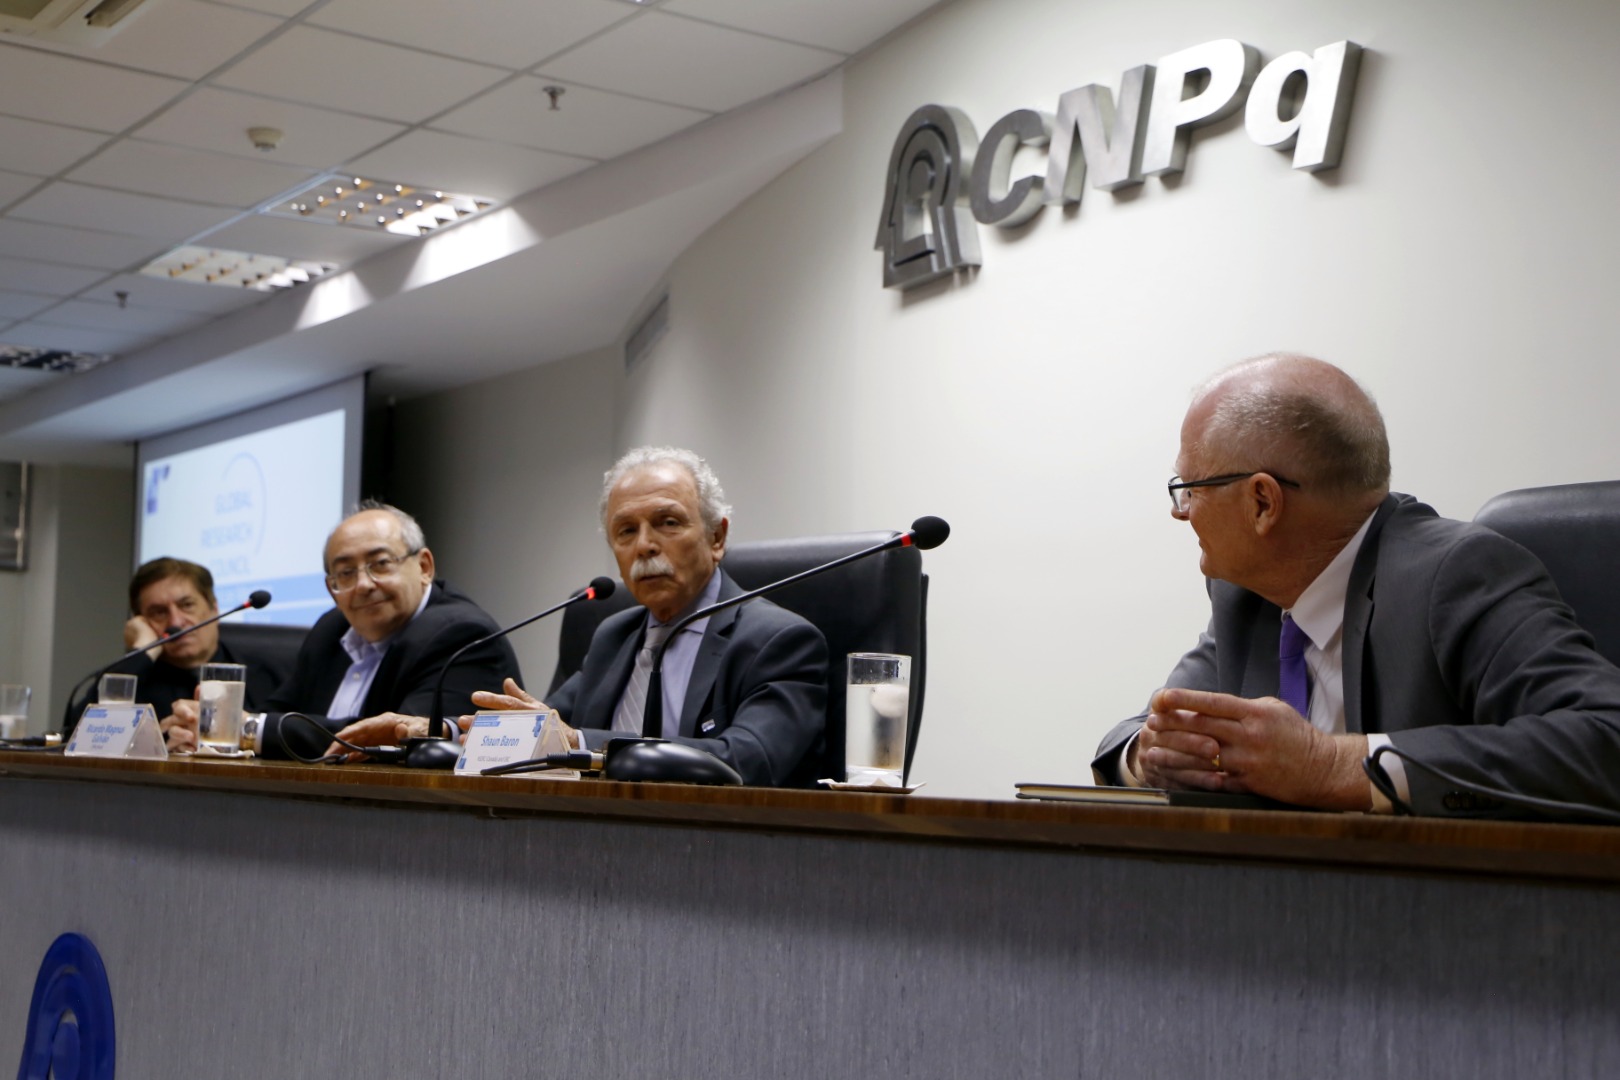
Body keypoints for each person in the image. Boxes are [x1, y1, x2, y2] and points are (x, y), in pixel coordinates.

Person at [1092, 353, 1620, 816]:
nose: (1180, 512)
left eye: (1189, 489)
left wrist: (1329, 765)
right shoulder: (1247, 597)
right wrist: (1148, 756)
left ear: (1262, 503)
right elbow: (1141, 731)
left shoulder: (1456, 575)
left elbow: (1605, 738)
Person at [332, 448, 829, 786]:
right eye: (625, 531)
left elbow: (748, 761)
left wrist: (580, 743)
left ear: (716, 537)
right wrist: (432, 731)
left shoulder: (778, 640)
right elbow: (536, 730)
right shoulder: (615, 635)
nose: (645, 545)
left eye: (667, 523)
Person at [219, 501, 521, 759]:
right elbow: (279, 710)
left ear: (424, 567)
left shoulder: (463, 635)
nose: (363, 584)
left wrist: (247, 729)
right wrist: (221, 720)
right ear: (332, 588)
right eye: (346, 573)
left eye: (380, 564)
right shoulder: (332, 629)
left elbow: (393, 738)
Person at [73, 558, 287, 745]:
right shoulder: (135, 679)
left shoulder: (267, 675)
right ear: (141, 621)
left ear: (214, 608)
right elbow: (78, 738)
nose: (175, 621)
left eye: (187, 605)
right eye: (159, 612)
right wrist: (142, 649)